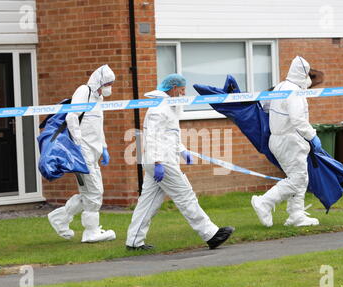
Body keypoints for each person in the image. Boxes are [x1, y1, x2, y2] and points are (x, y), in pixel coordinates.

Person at [126, 74, 235, 250]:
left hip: (161, 160)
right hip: (161, 161)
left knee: (148, 202)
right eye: (182, 90)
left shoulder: (169, 106)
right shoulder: (159, 108)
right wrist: (158, 162)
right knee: (186, 196)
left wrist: (182, 150)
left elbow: (170, 134)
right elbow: (152, 137)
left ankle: (133, 242)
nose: (184, 93)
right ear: (174, 88)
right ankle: (211, 234)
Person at [48, 64, 116, 243]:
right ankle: (91, 231)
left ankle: (59, 218)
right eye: (107, 84)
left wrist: (104, 148)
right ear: (99, 82)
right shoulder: (83, 91)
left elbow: (96, 126)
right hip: (83, 152)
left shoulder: (98, 99)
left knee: (89, 192)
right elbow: (72, 117)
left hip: (93, 152)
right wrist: (77, 145)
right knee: (95, 193)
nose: (109, 88)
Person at [251, 56, 321, 227]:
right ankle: (265, 202)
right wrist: (312, 136)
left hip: (278, 139)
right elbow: (298, 119)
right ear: (303, 74)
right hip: (289, 140)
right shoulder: (294, 92)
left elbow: (264, 106)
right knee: (297, 178)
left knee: (299, 177)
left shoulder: (281, 86)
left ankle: (296, 215)